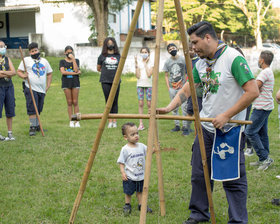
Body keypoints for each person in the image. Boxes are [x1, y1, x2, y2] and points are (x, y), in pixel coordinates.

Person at [157, 21, 259, 224]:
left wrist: (227, 115)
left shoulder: (233, 58)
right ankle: (199, 214)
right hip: (206, 127)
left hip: (230, 129)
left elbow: (253, 91)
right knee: (199, 173)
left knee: (233, 178)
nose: (192, 47)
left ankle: (238, 220)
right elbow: (188, 89)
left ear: (208, 38)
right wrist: (170, 107)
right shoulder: (201, 62)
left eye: (194, 42)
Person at [245, 50, 274, 171]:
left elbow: (254, 87)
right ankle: (264, 158)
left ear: (262, 60)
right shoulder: (268, 71)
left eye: (258, 59)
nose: (258, 61)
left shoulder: (264, 73)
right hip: (265, 106)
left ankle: (264, 157)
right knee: (262, 133)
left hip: (262, 107)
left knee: (250, 131)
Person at [17, 42, 53, 136]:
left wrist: (48, 85)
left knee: (39, 107)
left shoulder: (44, 61)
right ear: (30, 52)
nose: (34, 52)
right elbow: (19, 71)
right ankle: (32, 127)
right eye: (32, 51)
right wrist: (24, 76)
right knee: (32, 107)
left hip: (41, 89)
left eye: (35, 50)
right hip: (30, 87)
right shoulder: (26, 60)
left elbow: (49, 73)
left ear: (38, 50)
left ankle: (37, 125)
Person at [117, 122, 152, 216]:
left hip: (141, 175)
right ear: (125, 137)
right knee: (128, 192)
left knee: (140, 191)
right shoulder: (125, 149)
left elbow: (149, 151)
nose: (136, 136)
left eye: (137, 133)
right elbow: (121, 162)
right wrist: (123, 172)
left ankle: (141, 205)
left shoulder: (141, 146)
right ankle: (127, 205)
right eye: (133, 134)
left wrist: (154, 148)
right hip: (129, 176)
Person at [162, 43, 188, 135]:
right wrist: (168, 87)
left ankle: (185, 126)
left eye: (173, 48)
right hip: (172, 87)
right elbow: (165, 75)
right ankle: (177, 125)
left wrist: (185, 84)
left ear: (177, 48)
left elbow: (186, 72)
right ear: (168, 52)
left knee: (184, 107)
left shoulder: (183, 59)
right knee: (174, 107)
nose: (172, 50)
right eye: (169, 49)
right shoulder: (167, 62)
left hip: (182, 87)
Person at [97, 37, 120, 128]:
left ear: (114, 44)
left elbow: (120, 67)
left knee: (115, 101)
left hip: (116, 81)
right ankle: (109, 121)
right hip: (105, 81)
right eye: (108, 43)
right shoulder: (102, 56)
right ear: (106, 45)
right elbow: (98, 68)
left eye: (112, 43)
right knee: (108, 101)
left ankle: (115, 121)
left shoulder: (118, 56)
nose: (110, 45)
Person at [59, 46, 81, 128]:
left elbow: (76, 69)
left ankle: (77, 121)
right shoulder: (62, 61)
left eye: (71, 52)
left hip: (75, 83)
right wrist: (76, 74)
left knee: (75, 102)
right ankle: (71, 120)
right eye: (68, 52)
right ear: (65, 53)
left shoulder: (76, 60)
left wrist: (73, 59)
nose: (69, 54)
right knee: (69, 102)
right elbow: (63, 72)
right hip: (66, 83)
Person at [184, 45, 202, 135]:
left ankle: (197, 133)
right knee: (189, 111)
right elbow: (185, 74)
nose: (190, 52)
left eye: (191, 50)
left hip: (198, 93)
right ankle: (186, 129)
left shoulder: (198, 62)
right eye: (189, 50)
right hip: (190, 90)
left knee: (198, 114)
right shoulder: (186, 61)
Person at [0, 40, 16, 141]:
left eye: (3, 46)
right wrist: (7, 73)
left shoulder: (7, 59)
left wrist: (2, 72)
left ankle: (10, 133)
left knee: (10, 110)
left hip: (9, 87)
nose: (3, 48)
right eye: (1, 46)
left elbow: (14, 72)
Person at [134, 47, 153, 130]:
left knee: (149, 104)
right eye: (142, 52)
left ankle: (151, 123)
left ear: (148, 53)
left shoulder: (151, 62)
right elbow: (137, 76)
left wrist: (145, 64)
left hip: (149, 85)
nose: (144, 53)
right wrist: (136, 65)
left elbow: (149, 74)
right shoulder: (138, 62)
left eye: (145, 52)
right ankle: (141, 123)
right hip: (140, 84)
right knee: (141, 103)